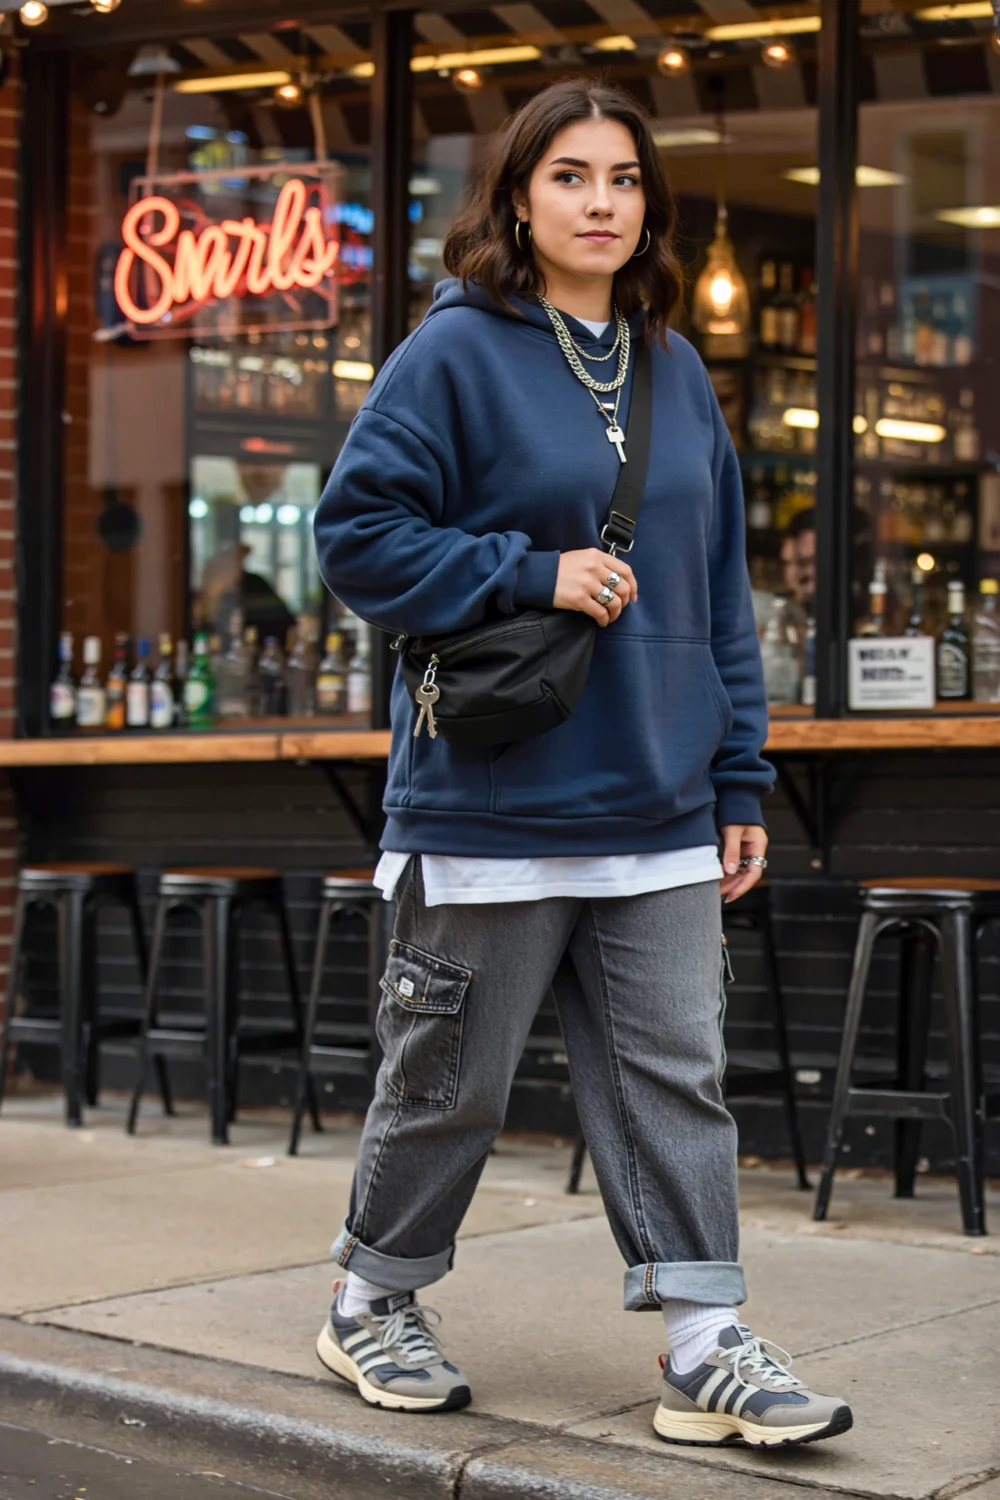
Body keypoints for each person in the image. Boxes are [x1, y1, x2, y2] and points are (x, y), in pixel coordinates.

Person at [312, 78, 853, 1450]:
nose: (601, 201)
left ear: (648, 205)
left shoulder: (675, 367)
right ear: (518, 196)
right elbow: (356, 538)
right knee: (454, 1081)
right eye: (570, 175)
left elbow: (718, 593)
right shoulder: (453, 355)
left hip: (662, 799)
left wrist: (742, 780)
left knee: (675, 1074)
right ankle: (371, 1296)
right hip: (494, 796)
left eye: (622, 178)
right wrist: (528, 569)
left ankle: (704, 1340)